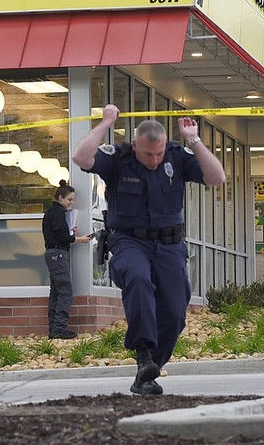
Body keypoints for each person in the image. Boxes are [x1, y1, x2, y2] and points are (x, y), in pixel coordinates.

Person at [72, 105, 225, 395]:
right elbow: (81, 156)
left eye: (158, 154)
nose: (154, 160)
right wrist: (106, 122)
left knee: (175, 309)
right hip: (129, 241)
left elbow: (217, 178)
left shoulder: (177, 156)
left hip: (169, 245)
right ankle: (143, 353)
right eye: (147, 154)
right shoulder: (119, 159)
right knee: (139, 279)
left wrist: (194, 140)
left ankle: (149, 370)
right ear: (135, 146)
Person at [42, 180, 92, 339]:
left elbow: (58, 234)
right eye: (69, 199)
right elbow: (61, 236)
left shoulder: (51, 213)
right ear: (60, 198)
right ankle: (59, 328)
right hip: (58, 253)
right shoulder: (57, 213)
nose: (71, 203)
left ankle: (53, 328)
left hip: (52, 253)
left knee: (56, 291)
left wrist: (70, 233)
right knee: (65, 290)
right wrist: (79, 239)